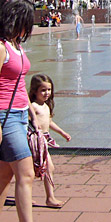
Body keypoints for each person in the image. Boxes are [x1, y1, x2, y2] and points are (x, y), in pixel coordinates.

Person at [0, 0, 59, 222]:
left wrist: (31, 117)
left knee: (4, 176)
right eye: (29, 20)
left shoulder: (16, 45)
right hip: (1, 116)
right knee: (25, 175)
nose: (31, 26)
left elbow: (19, 84)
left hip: (18, 115)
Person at [27, 74, 71, 208]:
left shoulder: (46, 106)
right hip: (34, 141)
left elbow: (49, 122)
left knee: (37, 169)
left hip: (44, 141)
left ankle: (28, 197)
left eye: (49, 90)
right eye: (43, 90)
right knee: (46, 168)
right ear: (34, 91)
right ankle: (49, 198)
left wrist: (62, 132)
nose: (47, 93)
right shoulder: (33, 106)